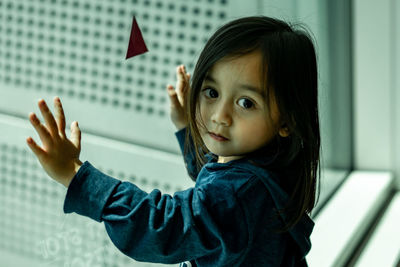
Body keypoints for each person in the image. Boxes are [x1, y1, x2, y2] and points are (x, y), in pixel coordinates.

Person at [26, 16, 320, 266]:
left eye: (246, 102)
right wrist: (185, 124)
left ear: (287, 121)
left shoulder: (240, 194)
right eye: (211, 92)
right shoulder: (269, 165)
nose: (219, 116)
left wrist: (77, 176)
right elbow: (214, 180)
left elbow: (164, 225)